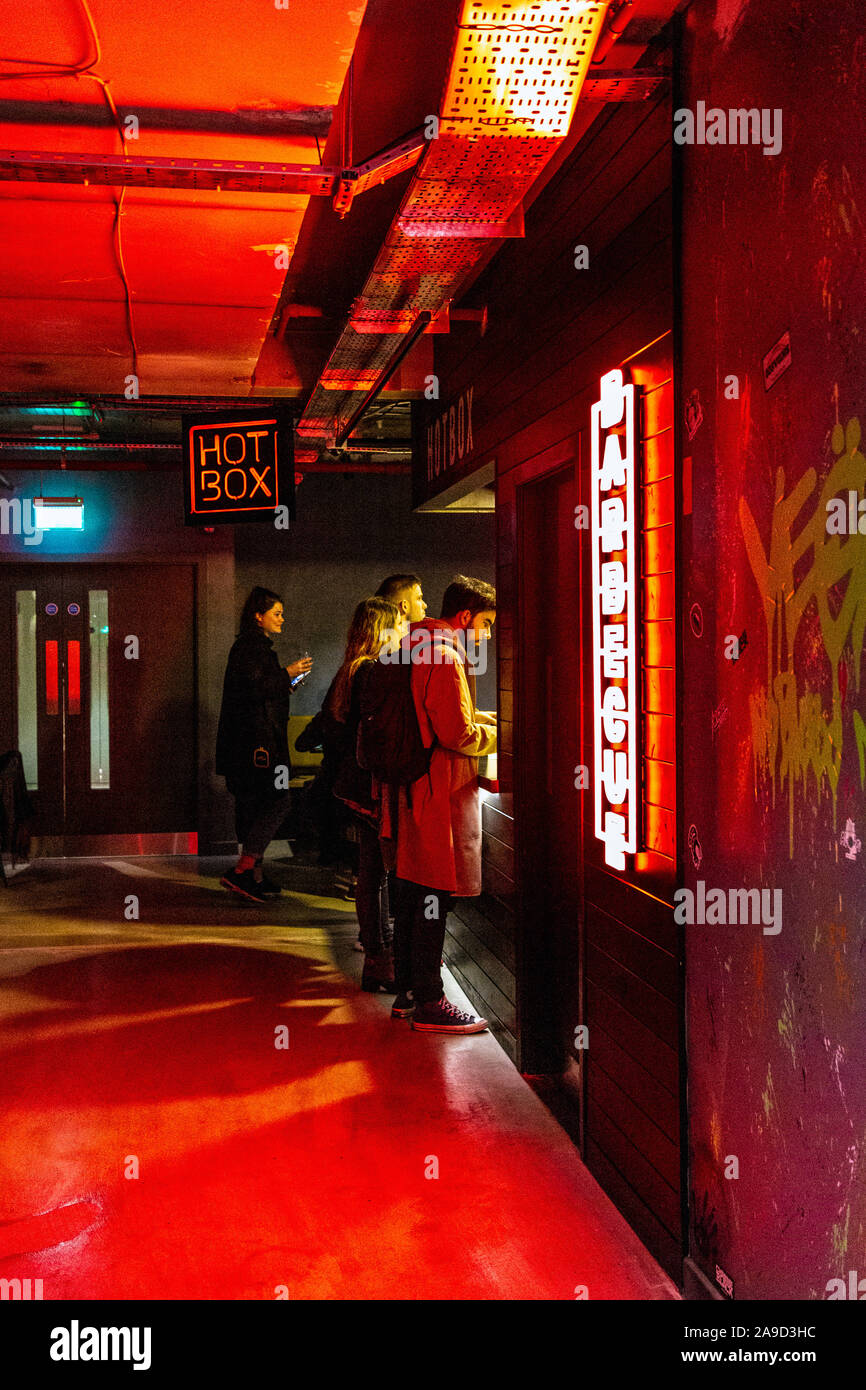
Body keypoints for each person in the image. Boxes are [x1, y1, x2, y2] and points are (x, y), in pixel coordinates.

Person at [390, 576, 497, 1033]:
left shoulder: (416, 644)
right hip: (439, 790)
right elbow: (456, 735)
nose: (489, 636)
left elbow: (433, 713)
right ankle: (431, 1004)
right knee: (435, 893)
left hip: (411, 787)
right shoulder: (446, 655)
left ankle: (408, 993)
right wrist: (498, 733)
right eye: (487, 625)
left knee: (414, 892)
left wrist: (478, 716)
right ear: (466, 617)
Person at [323, 596, 403, 990]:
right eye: (398, 626)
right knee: (379, 873)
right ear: (382, 630)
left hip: (352, 784)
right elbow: (379, 734)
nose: (404, 633)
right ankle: (381, 956)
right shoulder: (372, 671)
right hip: (371, 786)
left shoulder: (351, 668)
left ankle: (378, 957)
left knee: (371, 873)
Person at [216, 587, 313, 903]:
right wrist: (289, 673)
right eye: (277, 613)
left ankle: (253, 874)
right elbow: (256, 689)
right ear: (258, 616)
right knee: (278, 801)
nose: (282, 619)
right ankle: (245, 870)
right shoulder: (251, 649)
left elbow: (259, 692)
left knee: (257, 806)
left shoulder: (250, 647)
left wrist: (287, 682)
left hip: (255, 746)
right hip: (259, 748)